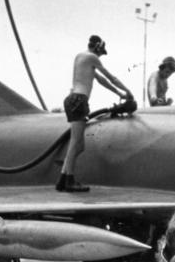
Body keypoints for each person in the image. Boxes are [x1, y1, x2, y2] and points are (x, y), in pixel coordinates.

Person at [57, 34, 134, 193]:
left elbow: (101, 80)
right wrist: (127, 91)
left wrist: (119, 95)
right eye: (101, 52)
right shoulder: (92, 57)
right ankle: (69, 181)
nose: (100, 56)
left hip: (72, 99)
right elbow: (111, 77)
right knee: (76, 142)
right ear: (98, 48)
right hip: (79, 100)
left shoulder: (81, 57)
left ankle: (63, 179)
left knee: (79, 146)